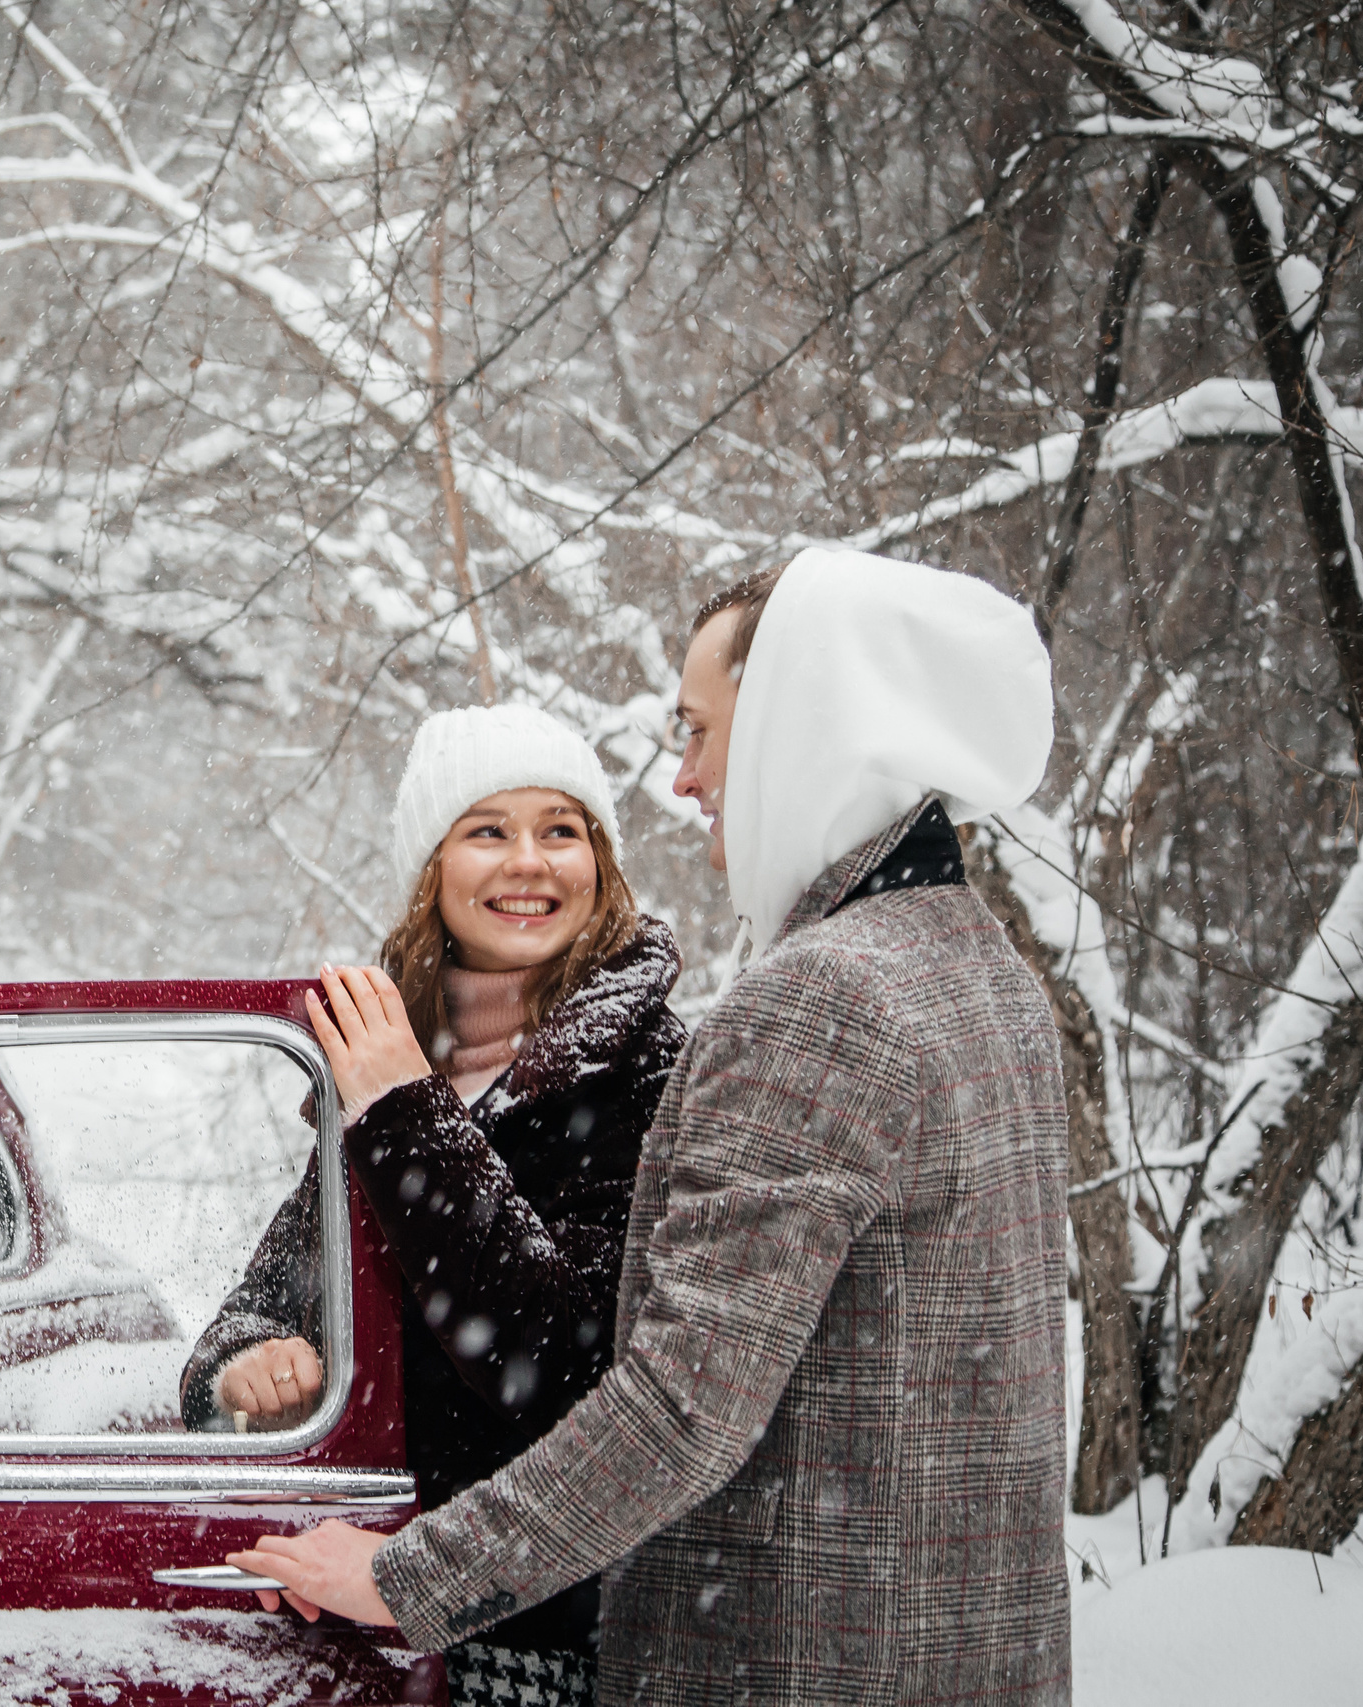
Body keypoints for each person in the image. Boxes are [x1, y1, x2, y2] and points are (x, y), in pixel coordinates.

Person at [230, 548, 1072, 1706]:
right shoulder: (976, 968)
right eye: (484, 833)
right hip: (944, 1653)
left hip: (793, 1662)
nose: (682, 779)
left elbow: (673, 1407)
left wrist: (408, 1576)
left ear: (799, 722)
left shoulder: (820, 1001)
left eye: (699, 730)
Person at [182, 701, 687, 1707]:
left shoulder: (655, 1073)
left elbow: (560, 1364)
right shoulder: (392, 1060)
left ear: (602, 862)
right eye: (487, 831)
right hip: (377, 1605)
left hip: (550, 1630)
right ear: (432, 868)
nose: (529, 863)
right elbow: (260, 1306)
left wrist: (404, 1110)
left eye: (561, 829)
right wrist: (244, 1366)